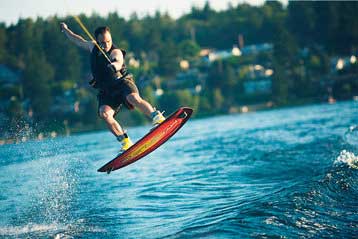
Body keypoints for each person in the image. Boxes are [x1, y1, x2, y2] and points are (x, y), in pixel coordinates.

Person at [60, 23, 165, 153]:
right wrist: (65, 30)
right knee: (104, 113)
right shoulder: (93, 47)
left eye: (108, 41)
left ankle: (157, 117)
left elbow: (118, 60)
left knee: (132, 98)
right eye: (102, 43)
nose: (106, 45)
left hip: (122, 82)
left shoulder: (115, 51)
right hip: (107, 91)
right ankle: (125, 141)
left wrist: (115, 65)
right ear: (97, 41)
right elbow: (78, 40)